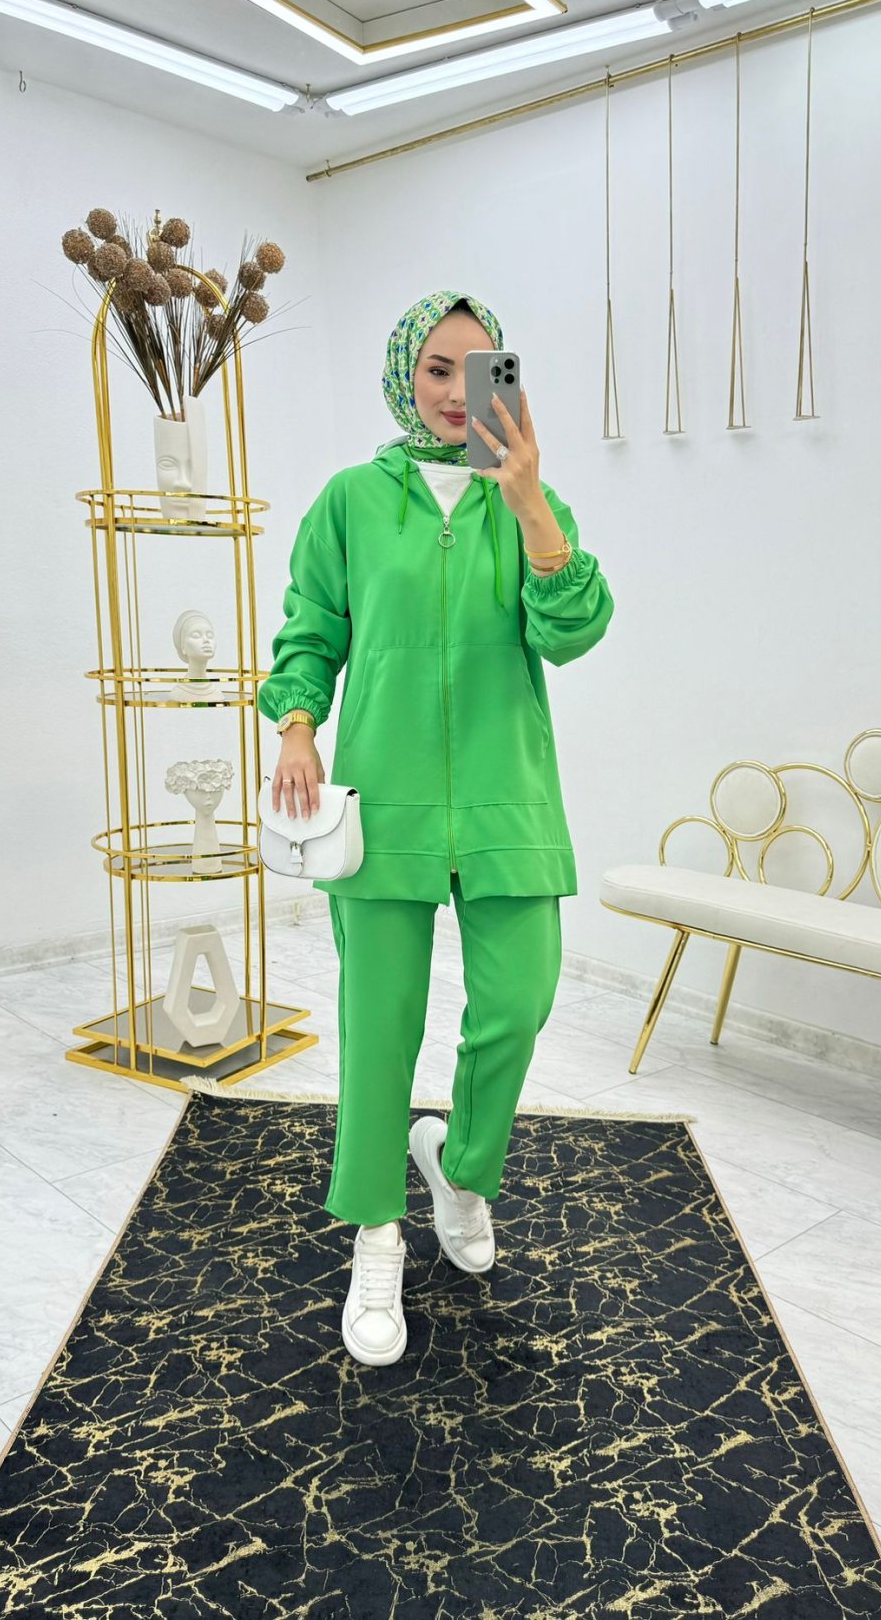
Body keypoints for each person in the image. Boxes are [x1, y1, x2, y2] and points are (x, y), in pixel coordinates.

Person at [258, 290, 615, 1367]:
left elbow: (574, 630)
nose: (460, 392)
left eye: (480, 369)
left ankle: (457, 1168)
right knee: (381, 1025)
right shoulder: (352, 501)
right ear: (404, 377)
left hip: (509, 795)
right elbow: (311, 627)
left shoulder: (526, 495)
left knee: (518, 1001)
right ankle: (376, 1231)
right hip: (386, 795)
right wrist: (297, 725)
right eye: (437, 370)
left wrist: (530, 498)